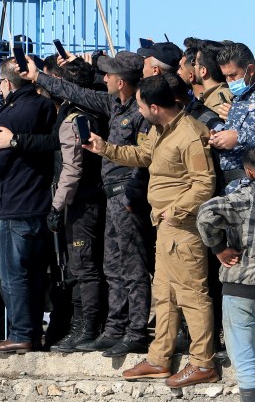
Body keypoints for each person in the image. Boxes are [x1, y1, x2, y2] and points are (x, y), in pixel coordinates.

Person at [84, 76, 218, 389]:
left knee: (192, 296)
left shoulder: (189, 135)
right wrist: (107, 149)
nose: (139, 110)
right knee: (164, 295)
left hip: (183, 228)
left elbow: (204, 184)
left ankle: (202, 363)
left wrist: (176, 210)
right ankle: (159, 358)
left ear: (155, 107)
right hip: (165, 227)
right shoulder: (161, 130)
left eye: (141, 105)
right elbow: (144, 157)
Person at [24, 51, 153, 356]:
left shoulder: (141, 112)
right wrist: (38, 77)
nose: (104, 78)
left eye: (108, 75)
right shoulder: (113, 103)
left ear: (121, 81)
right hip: (111, 196)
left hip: (128, 196)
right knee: (112, 266)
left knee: (133, 268)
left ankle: (135, 331)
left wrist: (133, 195)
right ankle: (114, 328)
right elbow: (77, 91)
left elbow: (145, 159)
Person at [0, 59, 106, 352]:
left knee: (80, 270)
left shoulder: (74, 117)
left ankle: (84, 329)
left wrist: (56, 207)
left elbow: (71, 167)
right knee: (66, 272)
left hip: (75, 203)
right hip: (68, 201)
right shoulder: (65, 113)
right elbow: (53, 148)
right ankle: (70, 328)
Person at [0, 57, 56, 352]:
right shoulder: (46, 106)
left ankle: (20, 333)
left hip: (15, 205)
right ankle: (32, 332)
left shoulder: (11, 114)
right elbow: (51, 145)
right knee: (35, 274)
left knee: (12, 274)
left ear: (6, 84)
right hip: (42, 203)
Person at [198, 146, 255, 401]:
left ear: (249, 171)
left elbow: (206, 214)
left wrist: (219, 248)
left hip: (241, 284)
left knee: (245, 358)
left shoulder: (242, 197)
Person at [212, 43, 255, 193]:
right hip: (232, 185)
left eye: (233, 75)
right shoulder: (238, 98)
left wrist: (239, 137)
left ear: (250, 70)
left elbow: (240, 136)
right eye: (225, 76)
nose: (229, 81)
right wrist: (219, 138)